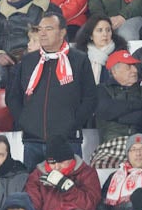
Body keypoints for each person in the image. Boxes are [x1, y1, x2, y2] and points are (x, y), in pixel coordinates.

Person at [7, 9, 96, 166]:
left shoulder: (79, 60)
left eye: (48, 29)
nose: (42, 34)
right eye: (40, 29)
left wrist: (72, 124)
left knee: (69, 188)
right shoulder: (28, 61)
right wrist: (25, 121)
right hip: (32, 141)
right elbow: (13, 96)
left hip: (67, 141)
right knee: (34, 190)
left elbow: (90, 98)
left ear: (62, 33)